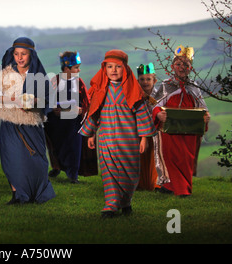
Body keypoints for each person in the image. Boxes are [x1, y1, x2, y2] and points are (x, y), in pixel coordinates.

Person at [79, 50, 156, 218]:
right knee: (109, 172)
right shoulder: (100, 90)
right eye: (109, 66)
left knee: (130, 173)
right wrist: (91, 134)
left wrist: (144, 138)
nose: (113, 70)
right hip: (106, 139)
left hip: (128, 140)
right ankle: (111, 204)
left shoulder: (132, 91)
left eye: (118, 67)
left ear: (125, 68)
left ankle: (126, 201)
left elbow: (142, 114)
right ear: (104, 68)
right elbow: (94, 113)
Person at [0, 37, 55, 204]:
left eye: (24, 54)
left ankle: (37, 192)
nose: (19, 58)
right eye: (16, 54)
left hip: (32, 124)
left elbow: (49, 100)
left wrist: (34, 102)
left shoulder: (39, 77)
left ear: (31, 55)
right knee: (12, 159)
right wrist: (11, 99)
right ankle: (17, 195)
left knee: (36, 160)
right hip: (11, 123)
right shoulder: (4, 75)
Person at [152, 45, 211, 197]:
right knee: (171, 158)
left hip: (189, 131)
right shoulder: (166, 85)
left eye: (186, 64)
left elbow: (202, 107)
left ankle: (175, 187)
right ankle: (179, 190)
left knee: (186, 159)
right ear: (172, 67)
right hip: (169, 131)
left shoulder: (194, 87)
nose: (181, 67)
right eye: (178, 64)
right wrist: (159, 114)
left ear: (191, 68)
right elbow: (155, 105)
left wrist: (206, 117)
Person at [44, 51, 90, 184]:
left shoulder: (79, 82)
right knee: (57, 146)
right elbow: (49, 100)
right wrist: (55, 109)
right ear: (66, 68)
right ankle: (57, 166)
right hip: (57, 122)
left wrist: (81, 110)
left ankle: (73, 174)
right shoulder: (55, 81)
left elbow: (86, 101)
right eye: (76, 67)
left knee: (74, 146)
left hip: (73, 122)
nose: (79, 70)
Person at [136, 63, 160, 191]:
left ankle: (155, 183)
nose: (145, 82)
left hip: (155, 132)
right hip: (139, 132)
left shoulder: (159, 96)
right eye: (142, 79)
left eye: (148, 79)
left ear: (154, 80)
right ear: (137, 80)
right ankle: (138, 183)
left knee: (154, 157)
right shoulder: (134, 96)